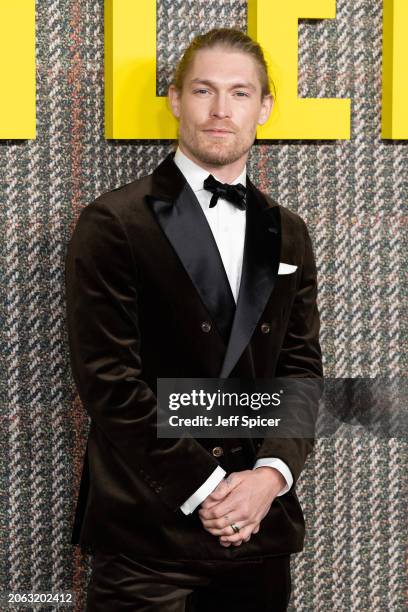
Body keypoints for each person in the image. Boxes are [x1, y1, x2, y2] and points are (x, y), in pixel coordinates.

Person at [65, 27, 322, 612]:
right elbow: (107, 380)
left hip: (258, 532)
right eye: (204, 90)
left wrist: (269, 476)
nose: (219, 109)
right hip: (147, 536)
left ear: (264, 107)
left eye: (238, 92)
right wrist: (210, 490)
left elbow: (301, 367)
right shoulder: (114, 222)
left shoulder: (288, 231)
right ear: (176, 99)